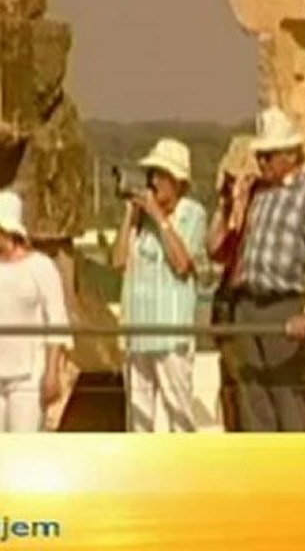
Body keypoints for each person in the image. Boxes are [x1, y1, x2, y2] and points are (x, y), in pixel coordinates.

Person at [233, 107, 305, 432]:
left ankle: (297, 477)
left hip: (284, 306)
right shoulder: (261, 194)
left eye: (269, 156)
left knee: (287, 401)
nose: (262, 163)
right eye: (260, 156)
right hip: (250, 305)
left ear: (291, 154)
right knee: (254, 402)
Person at [0, 190, 73, 433]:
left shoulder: (41, 267)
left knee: (23, 446)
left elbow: (56, 322)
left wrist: (52, 372)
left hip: (28, 376)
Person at [112, 139, 207, 433]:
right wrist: (130, 218)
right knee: (138, 419)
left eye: (161, 175)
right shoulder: (140, 219)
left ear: (177, 182)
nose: (153, 182)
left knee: (178, 413)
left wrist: (159, 218)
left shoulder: (192, 213)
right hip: (137, 331)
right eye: (151, 174)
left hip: (170, 333)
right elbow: (117, 261)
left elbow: (181, 264)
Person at [206, 144, 263, 432]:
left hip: (249, 312)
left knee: (248, 398)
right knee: (230, 394)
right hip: (229, 311)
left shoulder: (264, 209)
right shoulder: (231, 209)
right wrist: (226, 205)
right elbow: (214, 248)